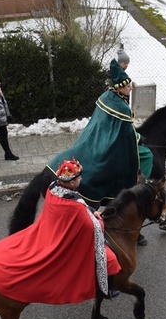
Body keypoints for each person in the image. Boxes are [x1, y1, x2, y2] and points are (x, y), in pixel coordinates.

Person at [0, 158, 121, 303]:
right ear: (72, 182)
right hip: (62, 238)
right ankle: (105, 289)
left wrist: (91, 211)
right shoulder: (75, 206)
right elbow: (93, 228)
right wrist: (101, 221)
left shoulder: (53, 188)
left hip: (50, 228)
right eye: (79, 178)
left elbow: (81, 205)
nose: (81, 179)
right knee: (110, 259)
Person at [48, 59, 153, 245]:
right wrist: (138, 138)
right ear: (119, 88)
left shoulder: (107, 96)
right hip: (111, 146)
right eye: (127, 86)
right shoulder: (121, 107)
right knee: (144, 156)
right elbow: (127, 134)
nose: (130, 88)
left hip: (97, 139)